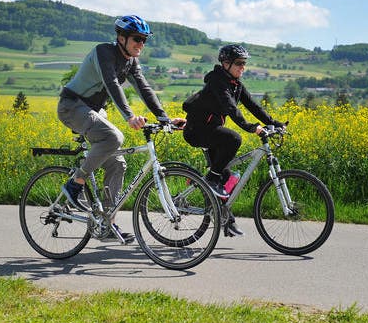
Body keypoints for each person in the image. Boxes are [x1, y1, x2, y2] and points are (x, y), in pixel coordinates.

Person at [57, 14, 185, 244]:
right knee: (114, 137)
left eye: (145, 40)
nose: (141, 44)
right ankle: (75, 184)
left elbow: (144, 88)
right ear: (121, 37)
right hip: (72, 106)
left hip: (94, 110)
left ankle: (107, 223)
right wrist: (129, 116)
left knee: (117, 163)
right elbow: (112, 84)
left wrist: (165, 118)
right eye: (137, 38)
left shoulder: (131, 61)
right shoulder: (103, 52)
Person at [181, 44, 284, 237]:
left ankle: (226, 220)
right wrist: (250, 127)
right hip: (197, 130)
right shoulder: (217, 81)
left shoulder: (235, 84)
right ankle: (211, 179)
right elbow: (230, 108)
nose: (242, 67)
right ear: (226, 63)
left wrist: (274, 123)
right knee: (234, 140)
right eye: (239, 63)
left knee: (226, 176)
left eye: (244, 64)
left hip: (211, 130)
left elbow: (252, 105)